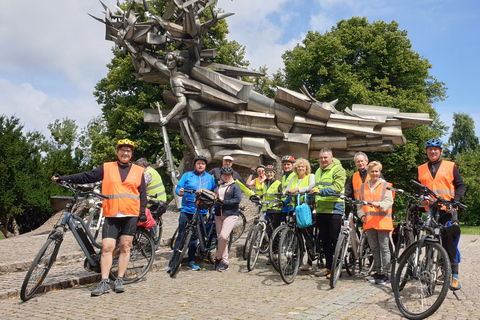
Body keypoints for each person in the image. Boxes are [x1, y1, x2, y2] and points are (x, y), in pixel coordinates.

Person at [51, 139, 147, 296]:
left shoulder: (138, 171)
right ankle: (104, 281)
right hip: (111, 212)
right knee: (107, 247)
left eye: (128, 151)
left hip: (130, 213)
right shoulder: (107, 167)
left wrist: (142, 211)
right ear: (117, 152)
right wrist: (65, 178)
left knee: (125, 246)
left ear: (132, 154)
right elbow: (87, 176)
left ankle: (120, 279)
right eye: (122, 150)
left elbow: (142, 193)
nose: (125, 153)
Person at [417, 139, 466, 290]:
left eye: (435, 149)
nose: (433, 152)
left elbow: (460, 186)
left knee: (449, 241)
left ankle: (454, 275)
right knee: (430, 239)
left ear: (440, 151)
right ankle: (436, 270)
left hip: (448, 209)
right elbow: (419, 189)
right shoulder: (421, 168)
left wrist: (455, 201)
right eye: (430, 149)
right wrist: (421, 198)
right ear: (426, 151)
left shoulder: (450, 166)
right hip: (431, 210)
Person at [168, 155, 216, 272]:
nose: (200, 165)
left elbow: (214, 193)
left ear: (205, 166)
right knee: (181, 235)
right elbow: (178, 187)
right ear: (195, 165)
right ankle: (174, 261)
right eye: (198, 163)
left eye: (203, 164)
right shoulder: (187, 175)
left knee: (194, 237)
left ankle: (191, 261)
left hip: (201, 211)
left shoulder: (210, 178)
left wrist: (211, 209)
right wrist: (180, 191)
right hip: (187, 210)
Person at [310, 148, 346, 278]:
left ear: (331, 157)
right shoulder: (318, 170)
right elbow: (317, 187)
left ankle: (338, 268)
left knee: (335, 240)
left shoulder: (338, 169)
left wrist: (321, 192)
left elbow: (337, 187)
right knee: (324, 240)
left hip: (334, 208)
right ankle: (328, 267)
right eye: (321, 158)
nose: (323, 160)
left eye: (325, 157)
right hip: (321, 209)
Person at [357, 161, 394, 285]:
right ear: (368, 172)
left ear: (380, 172)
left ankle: (385, 274)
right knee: (374, 248)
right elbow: (359, 203)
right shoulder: (362, 187)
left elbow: (389, 201)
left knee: (384, 247)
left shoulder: (386, 185)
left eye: (377, 171)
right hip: (369, 222)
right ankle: (378, 272)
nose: (375, 173)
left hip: (383, 221)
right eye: (372, 171)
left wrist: (380, 205)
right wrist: (361, 214)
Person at [283, 158, 316, 271]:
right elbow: (286, 190)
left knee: (307, 234)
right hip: (294, 208)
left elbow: (311, 187)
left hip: (305, 208)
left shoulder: (310, 176)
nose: (301, 168)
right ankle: (296, 260)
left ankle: (310, 261)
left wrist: (297, 190)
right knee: (295, 234)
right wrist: (285, 193)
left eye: (303, 166)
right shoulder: (293, 177)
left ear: (306, 168)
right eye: (299, 166)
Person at [212, 166, 242, 272]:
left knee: (224, 236)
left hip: (231, 214)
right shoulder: (217, 185)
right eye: (224, 175)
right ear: (221, 175)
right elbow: (212, 196)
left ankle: (218, 258)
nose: (226, 177)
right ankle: (224, 261)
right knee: (221, 238)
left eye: (228, 175)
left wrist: (223, 202)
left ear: (232, 176)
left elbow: (237, 200)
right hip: (218, 214)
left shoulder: (235, 186)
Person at [135, 158, 167, 251]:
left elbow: (142, 187)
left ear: (142, 167)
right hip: (158, 200)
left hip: (156, 202)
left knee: (150, 220)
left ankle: (154, 243)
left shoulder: (147, 174)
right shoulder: (152, 171)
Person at [262, 165, 284, 240]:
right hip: (266, 209)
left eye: (271, 172)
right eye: (267, 172)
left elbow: (282, 196)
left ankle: (276, 248)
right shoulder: (264, 183)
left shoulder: (278, 183)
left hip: (276, 209)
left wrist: (281, 203)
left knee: (275, 230)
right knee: (268, 230)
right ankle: (272, 247)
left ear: (274, 173)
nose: (269, 174)